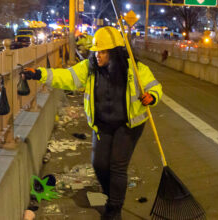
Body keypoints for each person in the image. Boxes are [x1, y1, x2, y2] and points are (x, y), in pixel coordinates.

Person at [21, 26, 163, 220]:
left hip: (128, 126)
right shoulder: (90, 68)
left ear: (114, 53)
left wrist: (152, 96)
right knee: (99, 164)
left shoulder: (135, 69)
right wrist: (40, 74)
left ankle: (114, 210)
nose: (98, 55)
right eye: (96, 51)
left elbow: (153, 86)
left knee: (117, 166)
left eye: (103, 51)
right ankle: (111, 193)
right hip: (103, 124)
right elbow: (67, 77)